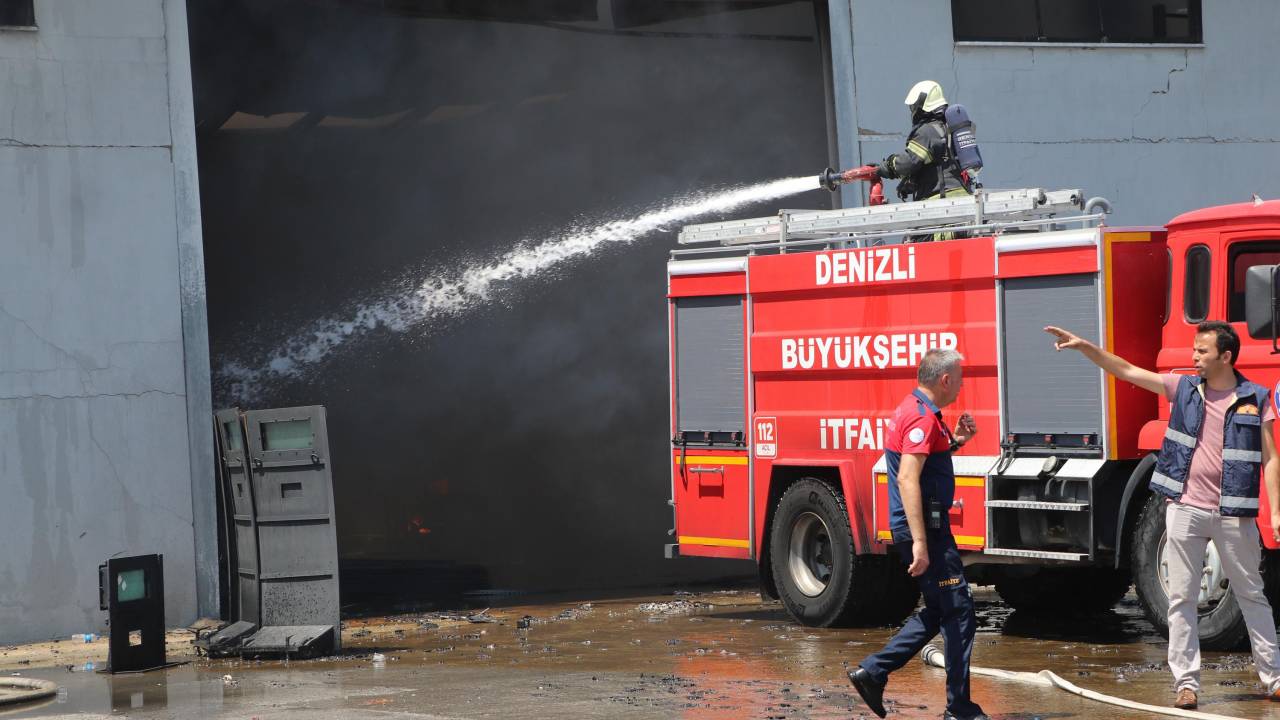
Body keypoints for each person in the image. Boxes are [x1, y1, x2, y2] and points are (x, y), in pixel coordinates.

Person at [1044, 321, 1280, 709]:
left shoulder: (1256, 397)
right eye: (1194, 350)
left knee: (1252, 595)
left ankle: (1273, 679)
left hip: (1234, 514)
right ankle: (1186, 685)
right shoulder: (1183, 388)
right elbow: (1126, 371)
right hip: (1185, 509)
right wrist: (1086, 347)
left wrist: (1276, 512)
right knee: (1181, 600)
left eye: (1202, 351)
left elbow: (1271, 459)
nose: (1194, 357)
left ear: (1225, 356)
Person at [847, 349, 989, 720]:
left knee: (943, 609)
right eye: (959, 378)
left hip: (925, 529)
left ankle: (874, 672)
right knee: (958, 611)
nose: (962, 385)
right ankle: (959, 709)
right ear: (945, 380)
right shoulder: (921, 417)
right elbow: (907, 478)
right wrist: (922, 544)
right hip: (927, 532)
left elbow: (925, 464)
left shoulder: (917, 411)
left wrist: (957, 441)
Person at [873, 80, 971, 204]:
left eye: (914, 106)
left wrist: (888, 165)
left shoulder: (927, 131)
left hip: (941, 200)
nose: (913, 111)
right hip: (963, 194)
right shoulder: (948, 128)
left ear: (922, 105)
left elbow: (908, 163)